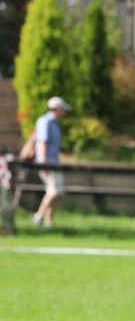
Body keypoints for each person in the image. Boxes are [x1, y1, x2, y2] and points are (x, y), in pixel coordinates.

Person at [32, 97, 71, 227]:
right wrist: (44, 163)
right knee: (53, 191)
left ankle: (49, 221)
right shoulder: (45, 122)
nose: (65, 111)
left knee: (58, 192)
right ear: (57, 109)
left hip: (54, 162)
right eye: (63, 108)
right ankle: (39, 216)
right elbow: (42, 142)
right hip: (47, 162)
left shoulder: (55, 123)